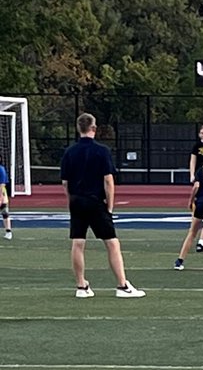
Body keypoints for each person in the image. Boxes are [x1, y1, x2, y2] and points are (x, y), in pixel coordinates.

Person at [61, 113, 145, 298]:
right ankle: (122, 285)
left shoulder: (69, 151)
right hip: (95, 201)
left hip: (76, 200)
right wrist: (110, 206)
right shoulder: (102, 151)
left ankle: (81, 286)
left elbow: (65, 182)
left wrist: (71, 200)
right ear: (94, 128)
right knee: (112, 243)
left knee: (78, 242)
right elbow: (108, 180)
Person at [0, 161, 11, 239]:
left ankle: (8, 232)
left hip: (1, 193)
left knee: (5, 213)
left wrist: (1, 197)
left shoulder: (1, 169)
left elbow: (2, 184)